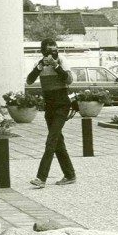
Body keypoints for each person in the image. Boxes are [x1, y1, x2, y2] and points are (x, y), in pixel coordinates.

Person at [27, 38, 76, 188]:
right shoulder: (39, 64)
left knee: (51, 140)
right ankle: (70, 175)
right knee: (58, 142)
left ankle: (41, 178)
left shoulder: (62, 61)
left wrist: (56, 66)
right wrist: (40, 66)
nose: (52, 54)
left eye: (54, 50)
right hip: (49, 106)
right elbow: (29, 80)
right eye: (49, 51)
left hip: (62, 105)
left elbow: (69, 80)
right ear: (43, 51)